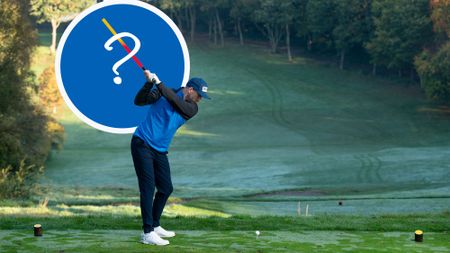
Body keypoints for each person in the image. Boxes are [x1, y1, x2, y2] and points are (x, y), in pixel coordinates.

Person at [131, 70, 210, 246]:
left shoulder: (192, 108)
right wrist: (149, 83)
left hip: (159, 150)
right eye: (199, 95)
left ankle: (155, 224)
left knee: (166, 188)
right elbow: (139, 101)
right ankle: (147, 232)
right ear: (189, 89)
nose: (200, 99)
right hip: (142, 143)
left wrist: (159, 83)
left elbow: (174, 101)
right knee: (148, 188)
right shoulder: (162, 92)